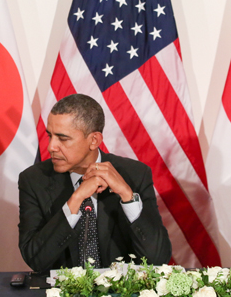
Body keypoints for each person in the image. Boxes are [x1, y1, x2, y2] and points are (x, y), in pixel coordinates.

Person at [18, 94, 171, 272]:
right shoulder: (34, 179)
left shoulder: (135, 174)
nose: (51, 146)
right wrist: (76, 199)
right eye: (50, 136)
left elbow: (158, 258)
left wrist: (127, 196)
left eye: (63, 138)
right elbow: (35, 259)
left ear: (94, 140)